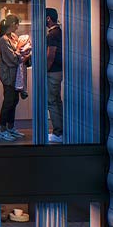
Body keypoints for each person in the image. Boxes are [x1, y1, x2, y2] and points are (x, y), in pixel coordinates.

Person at [0, 15, 30, 142]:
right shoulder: (3, 40)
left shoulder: (13, 37)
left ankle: (11, 128)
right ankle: (2, 130)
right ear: (13, 24)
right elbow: (12, 59)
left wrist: (22, 53)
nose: (18, 26)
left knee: (14, 101)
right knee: (8, 102)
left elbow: (18, 53)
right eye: (17, 24)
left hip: (16, 76)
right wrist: (22, 54)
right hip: (9, 77)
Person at [42, 8, 65, 143]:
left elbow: (50, 55)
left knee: (52, 102)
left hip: (53, 72)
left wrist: (44, 71)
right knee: (57, 101)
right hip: (58, 71)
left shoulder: (52, 34)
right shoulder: (58, 32)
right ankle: (61, 131)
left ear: (48, 19)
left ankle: (57, 133)